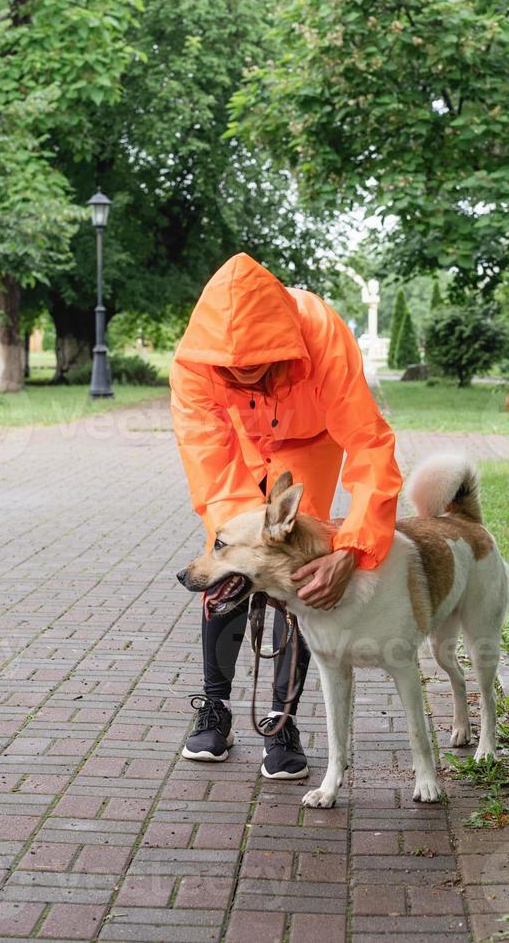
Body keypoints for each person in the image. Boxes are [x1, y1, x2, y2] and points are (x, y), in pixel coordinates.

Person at [170, 252, 401, 779]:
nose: (247, 382)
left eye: (259, 370)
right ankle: (215, 708)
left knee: (300, 571)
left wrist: (353, 548)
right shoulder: (194, 361)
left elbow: (368, 446)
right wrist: (236, 550)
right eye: (234, 374)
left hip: (309, 441)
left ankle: (282, 719)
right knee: (230, 566)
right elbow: (208, 461)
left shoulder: (321, 332)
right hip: (238, 443)